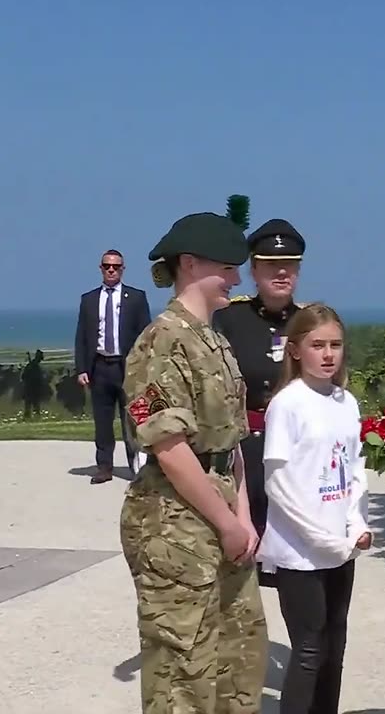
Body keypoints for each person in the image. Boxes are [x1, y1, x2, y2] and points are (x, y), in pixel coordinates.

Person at [119, 212, 267, 714]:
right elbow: (170, 448)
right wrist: (228, 523)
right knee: (183, 675)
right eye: (227, 267)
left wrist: (242, 520)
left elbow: (232, 446)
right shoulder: (162, 342)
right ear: (189, 263)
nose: (236, 278)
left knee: (235, 658)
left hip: (221, 512)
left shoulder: (214, 340)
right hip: (177, 528)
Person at [257, 303, 371, 714]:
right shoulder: (288, 405)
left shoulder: (346, 402)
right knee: (308, 649)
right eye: (317, 345)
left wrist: (354, 524)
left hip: (341, 547)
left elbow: (355, 470)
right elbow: (279, 483)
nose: (327, 354)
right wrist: (318, 537)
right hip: (301, 551)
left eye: (335, 345)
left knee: (334, 649)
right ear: (295, 350)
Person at [213, 218, 307, 549]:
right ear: (253, 271)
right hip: (246, 451)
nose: (281, 273)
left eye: (289, 266)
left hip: (298, 452)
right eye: (271, 266)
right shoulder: (228, 320)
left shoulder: (310, 323)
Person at [74, 248, 151, 483]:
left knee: (133, 420)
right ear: (100, 268)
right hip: (100, 368)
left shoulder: (136, 298)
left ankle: (137, 467)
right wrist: (82, 369)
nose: (111, 270)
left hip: (127, 368)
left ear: (123, 269)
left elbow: (145, 336)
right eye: (107, 266)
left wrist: (144, 369)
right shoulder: (89, 299)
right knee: (103, 421)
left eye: (116, 266)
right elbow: (82, 337)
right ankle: (104, 467)